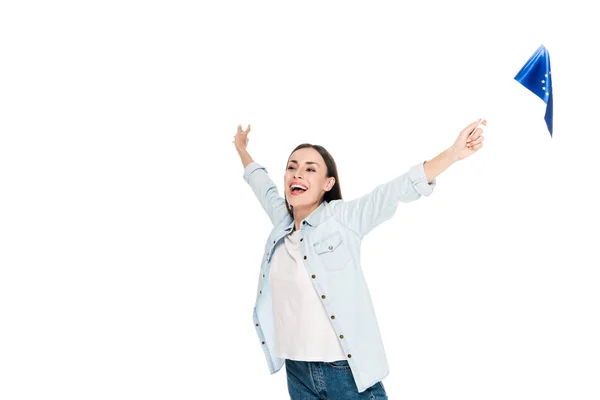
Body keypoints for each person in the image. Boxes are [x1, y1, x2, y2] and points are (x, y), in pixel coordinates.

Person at [233, 120, 486, 399]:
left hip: (344, 372)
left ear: (327, 184)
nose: (297, 174)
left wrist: (452, 153)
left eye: (310, 169)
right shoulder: (281, 222)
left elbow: (393, 191)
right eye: (292, 167)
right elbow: (260, 183)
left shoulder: (342, 219)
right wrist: (241, 148)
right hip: (297, 370)